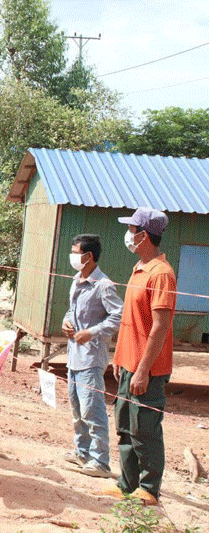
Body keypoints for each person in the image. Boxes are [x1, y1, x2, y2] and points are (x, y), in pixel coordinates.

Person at [99, 208, 176, 506]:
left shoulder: (161, 274)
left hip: (149, 368)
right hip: (129, 363)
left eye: (132, 230)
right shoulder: (139, 268)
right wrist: (119, 358)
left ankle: (149, 488)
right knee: (125, 426)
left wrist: (143, 369)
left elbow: (160, 326)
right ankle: (127, 484)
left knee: (144, 428)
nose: (128, 235)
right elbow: (130, 321)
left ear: (144, 235)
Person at [61, 234, 123, 478]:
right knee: (77, 409)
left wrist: (92, 332)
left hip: (91, 358)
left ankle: (100, 461)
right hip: (73, 356)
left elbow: (118, 316)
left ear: (88, 256)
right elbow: (72, 310)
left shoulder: (103, 285)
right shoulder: (76, 280)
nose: (72, 256)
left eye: (75, 252)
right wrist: (66, 322)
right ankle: (82, 452)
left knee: (92, 410)